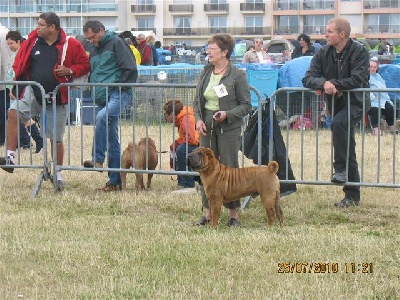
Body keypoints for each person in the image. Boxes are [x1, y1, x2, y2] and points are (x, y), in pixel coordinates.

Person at [0, 12, 90, 191]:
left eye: (41, 24)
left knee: (55, 138)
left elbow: (85, 65)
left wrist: (71, 70)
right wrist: (16, 86)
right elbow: (20, 63)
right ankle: (9, 157)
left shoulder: (70, 43)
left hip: (58, 96)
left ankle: (58, 175)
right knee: (13, 112)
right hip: (32, 92)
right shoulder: (32, 42)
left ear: (52, 27)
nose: (37, 27)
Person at [302, 17, 370, 208]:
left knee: (339, 124)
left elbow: (357, 79)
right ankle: (352, 196)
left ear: (342, 34)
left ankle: (339, 170)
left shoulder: (359, 51)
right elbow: (307, 78)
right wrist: (323, 83)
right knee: (348, 147)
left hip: (356, 103)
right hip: (337, 104)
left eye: (330, 31)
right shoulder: (323, 52)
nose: (325, 34)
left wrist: (334, 84)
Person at [193, 33, 252, 226]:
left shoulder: (237, 75)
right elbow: (197, 101)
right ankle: (208, 213)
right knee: (204, 168)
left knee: (229, 168)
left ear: (225, 52)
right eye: (208, 48)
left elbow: (246, 105)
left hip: (229, 126)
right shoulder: (206, 71)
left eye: (212, 48)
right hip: (207, 126)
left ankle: (233, 215)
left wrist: (227, 114)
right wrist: (198, 119)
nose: (208, 52)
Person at [82, 20, 137, 191]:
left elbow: (130, 68)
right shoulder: (94, 49)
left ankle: (97, 159)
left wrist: (118, 87)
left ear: (102, 31)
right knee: (112, 140)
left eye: (92, 37)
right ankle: (115, 181)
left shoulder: (117, 43)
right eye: (88, 39)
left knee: (101, 117)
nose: (91, 42)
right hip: (102, 96)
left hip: (118, 93)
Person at [6, 30, 43, 153]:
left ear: (18, 41)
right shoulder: (20, 52)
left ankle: (30, 140)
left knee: (17, 114)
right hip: (20, 87)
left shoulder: (23, 52)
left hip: (23, 88)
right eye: (8, 44)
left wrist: (15, 90)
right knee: (19, 115)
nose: (9, 46)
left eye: (11, 43)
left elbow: (22, 74)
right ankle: (35, 140)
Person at [163, 99, 200, 194]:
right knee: (180, 148)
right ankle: (192, 180)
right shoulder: (183, 117)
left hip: (200, 146)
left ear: (171, 114)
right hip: (198, 145)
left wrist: (177, 143)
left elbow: (192, 139)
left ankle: (187, 185)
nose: (166, 118)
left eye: (165, 115)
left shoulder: (185, 119)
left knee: (181, 150)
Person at [368, 59, 398, 135]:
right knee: (375, 109)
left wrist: (388, 100)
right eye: (371, 66)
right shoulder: (365, 76)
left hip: (382, 100)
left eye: (374, 67)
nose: (372, 69)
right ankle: (376, 130)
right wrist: (372, 98)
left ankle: (392, 128)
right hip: (371, 100)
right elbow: (365, 89)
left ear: (377, 68)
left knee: (390, 108)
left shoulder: (379, 77)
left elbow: (384, 89)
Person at [0, 24, 12, 148]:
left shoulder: (2, 33)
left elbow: (6, 60)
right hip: (5, 81)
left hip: (4, 82)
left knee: (5, 111)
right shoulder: (4, 32)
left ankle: (3, 138)